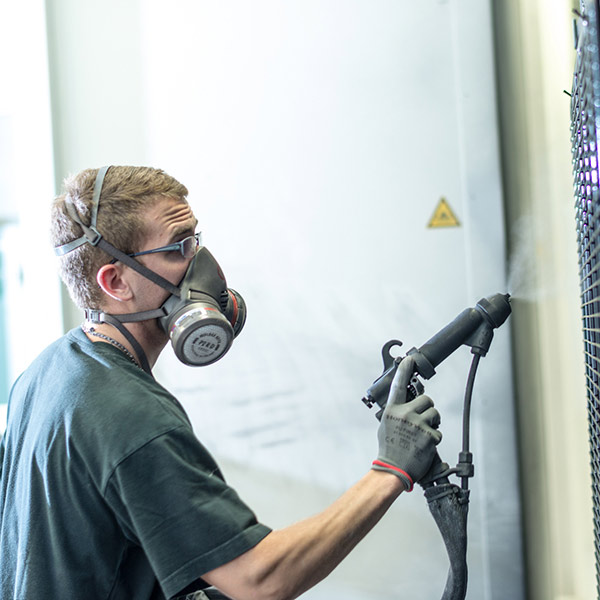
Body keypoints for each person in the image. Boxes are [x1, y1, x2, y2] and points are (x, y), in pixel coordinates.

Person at [0, 166, 442, 600]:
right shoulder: (130, 416)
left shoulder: (47, 372)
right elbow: (261, 581)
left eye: (196, 240)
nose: (204, 266)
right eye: (179, 248)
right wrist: (391, 469)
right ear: (116, 281)